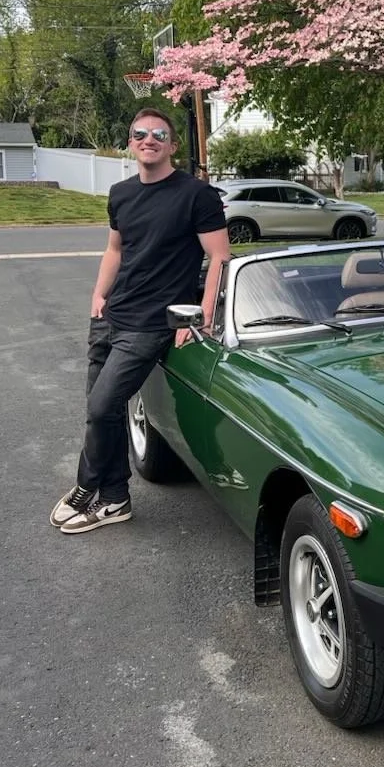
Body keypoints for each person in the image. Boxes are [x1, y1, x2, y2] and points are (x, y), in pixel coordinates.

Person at [50, 107, 231, 534]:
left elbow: (220, 256)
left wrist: (200, 316)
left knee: (102, 405)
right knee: (102, 413)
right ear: (131, 142)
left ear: (171, 145)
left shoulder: (196, 194)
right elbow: (116, 249)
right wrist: (99, 293)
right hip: (112, 315)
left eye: (158, 134)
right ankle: (115, 499)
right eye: (140, 133)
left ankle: (86, 487)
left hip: (152, 323)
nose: (149, 139)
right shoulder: (121, 193)